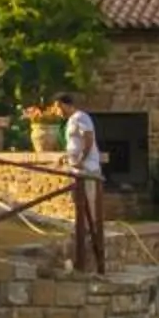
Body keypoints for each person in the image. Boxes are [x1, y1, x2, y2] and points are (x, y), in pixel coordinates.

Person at [59, 91, 105, 272]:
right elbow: (74, 142)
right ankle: (81, 228)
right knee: (78, 199)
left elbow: (88, 138)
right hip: (77, 168)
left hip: (87, 168)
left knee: (89, 199)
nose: (58, 111)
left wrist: (81, 159)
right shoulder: (71, 120)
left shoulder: (81, 117)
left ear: (65, 104)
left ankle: (90, 231)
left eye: (59, 106)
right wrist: (67, 156)